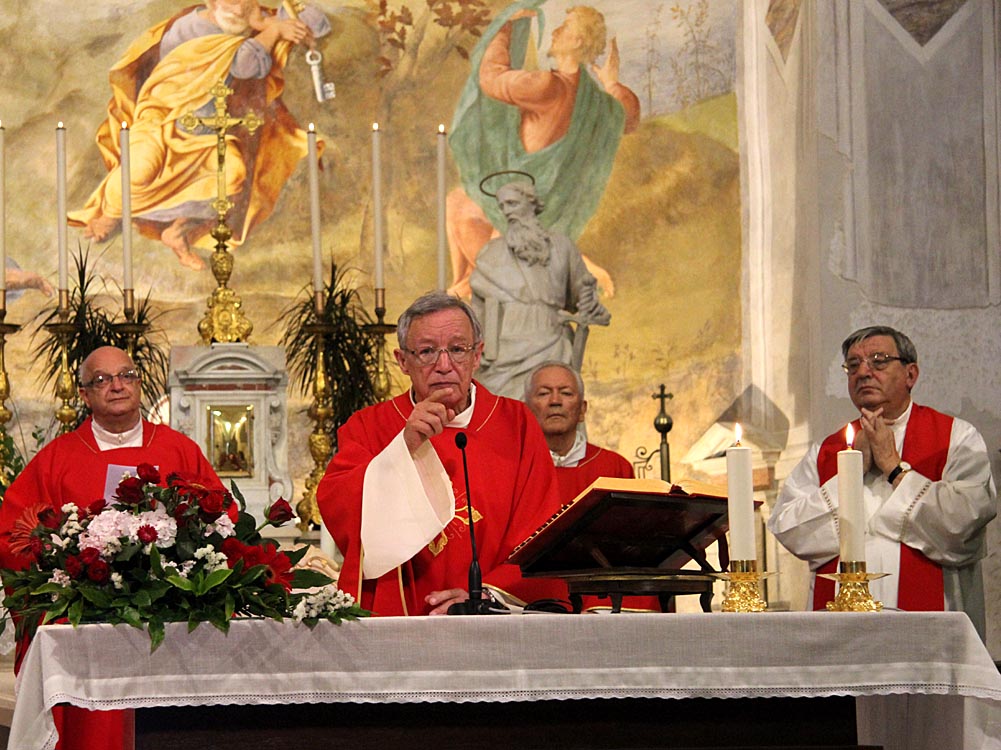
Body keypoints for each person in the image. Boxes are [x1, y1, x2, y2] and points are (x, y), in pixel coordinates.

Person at [0, 345, 227, 750]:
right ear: (85, 395)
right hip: (86, 624)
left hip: (174, 616)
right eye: (102, 380)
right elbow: (12, 534)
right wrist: (60, 571)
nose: (117, 386)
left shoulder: (178, 449)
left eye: (126, 375)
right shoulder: (58, 458)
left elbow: (221, 518)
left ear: (139, 384)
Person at [316, 291, 567, 616]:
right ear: (402, 361)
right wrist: (403, 448)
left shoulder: (516, 424)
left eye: (458, 349)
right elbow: (338, 506)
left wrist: (483, 595)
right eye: (427, 352)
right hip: (398, 621)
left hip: (493, 619)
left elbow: (540, 531)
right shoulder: (368, 426)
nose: (444, 366)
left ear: (477, 355)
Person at [768, 326, 996, 637]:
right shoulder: (827, 451)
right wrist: (851, 473)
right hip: (841, 633)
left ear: (911, 374)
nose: (863, 372)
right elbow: (790, 529)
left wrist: (894, 468)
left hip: (929, 635)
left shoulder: (956, 437)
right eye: (853, 365)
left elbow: (963, 524)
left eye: (879, 361)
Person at [69, 0, 330, 270]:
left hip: (207, 132)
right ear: (212, 2)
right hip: (162, 121)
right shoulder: (188, 28)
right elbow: (244, 64)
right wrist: (272, 30)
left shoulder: (254, 22)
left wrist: (271, 20)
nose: (238, 7)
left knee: (232, 177)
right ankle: (111, 214)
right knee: (140, 169)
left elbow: (318, 24)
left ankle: (179, 231)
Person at [448, 2, 640, 296]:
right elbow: (628, 117)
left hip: (526, 200)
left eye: (564, 27)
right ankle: (467, 283)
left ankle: (474, 285)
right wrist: (612, 85)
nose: (555, 32)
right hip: (544, 198)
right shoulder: (589, 97)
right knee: (458, 203)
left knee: (469, 226)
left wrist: (504, 28)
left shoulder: (547, 86)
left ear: (577, 40)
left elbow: (491, 80)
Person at [469, 180, 609, 399]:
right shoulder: (491, 254)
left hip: (552, 343)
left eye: (512, 203)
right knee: (502, 411)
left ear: (531, 203)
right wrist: (479, 349)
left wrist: (588, 302)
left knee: (550, 406)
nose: (507, 211)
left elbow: (582, 293)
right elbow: (478, 311)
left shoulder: (562, 247)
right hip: (504, 351)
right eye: (502, 206)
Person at [523, 360, 632, 501]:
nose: (555, 401)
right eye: (544, 393)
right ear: (526, 410)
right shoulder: (511, 468)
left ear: (582, 409)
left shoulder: (614, 468)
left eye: (566, 393)